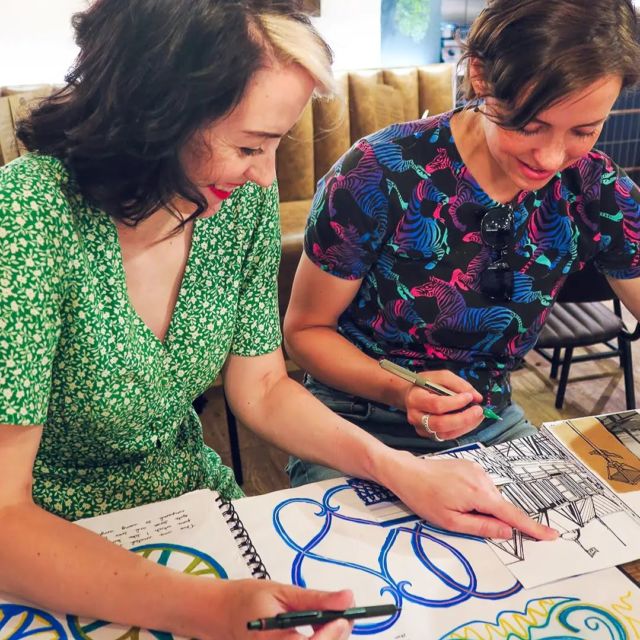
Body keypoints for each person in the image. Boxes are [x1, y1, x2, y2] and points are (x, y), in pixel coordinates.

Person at [0, 0, 557, 637]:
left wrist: (398, 468)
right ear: (153, 115)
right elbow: (4, 519)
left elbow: (261, 386)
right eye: (248, 146)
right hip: (51, 550)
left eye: (275, 146)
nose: (266, 176)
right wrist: (206, 609)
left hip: (192, 509)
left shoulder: (235, 210)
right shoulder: (26, 218)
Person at [283, 0, 640, 487]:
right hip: (354, 421)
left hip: (487, 424)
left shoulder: (594, 189)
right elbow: (305, 331)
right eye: (528, 124)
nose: (552, 157)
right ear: (480, 76)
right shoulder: (380, 171)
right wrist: (402, 391)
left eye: (584, 130)